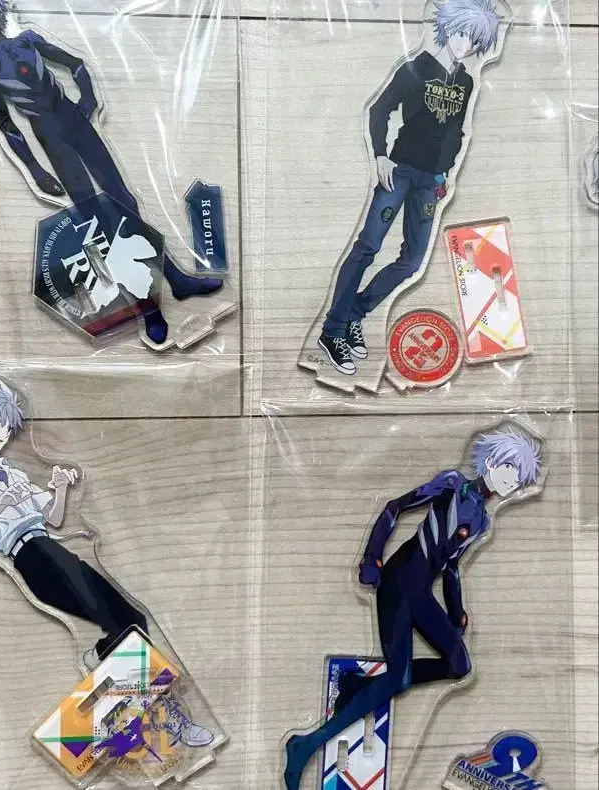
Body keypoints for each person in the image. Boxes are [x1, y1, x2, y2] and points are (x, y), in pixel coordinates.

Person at [0, 380, 213, 748]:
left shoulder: (13, 471)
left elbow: (53, 519)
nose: (2, 433)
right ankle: (168, 719)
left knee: (134, 619)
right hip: (31, 560)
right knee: (124, 627)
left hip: (53, 550)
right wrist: (0, 506)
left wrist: (59, 488)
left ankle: (105, 665)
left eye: (7, 426)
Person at [0, 0, 223, 343]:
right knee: (99, 222)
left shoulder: (28, 39)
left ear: (0, 10)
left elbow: (75, 64)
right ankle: (148, 306)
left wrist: (87, 98)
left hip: (76, 121)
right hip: (50, 137)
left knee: (125, 202)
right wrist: (36, 170)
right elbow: (6, 125)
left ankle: (176, 279)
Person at [282, 429, 541, 790]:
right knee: (398, 679)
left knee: (459, 665)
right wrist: (372, 558)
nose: (512, 483)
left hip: (422, 593)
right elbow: (395, 506)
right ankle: (305, 745)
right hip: (398, 583)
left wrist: (457, 611)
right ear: (492, 462)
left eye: (519, 481)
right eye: (511, 471)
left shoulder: (482, 520)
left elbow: (451, 567)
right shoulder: (452, 485)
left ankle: (360, 685)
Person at [317, 0, 503, 375]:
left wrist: (447, 173)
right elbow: (379, 110)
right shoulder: (416, 68)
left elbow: (456, 131)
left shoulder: (466, 82)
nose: (465, 44)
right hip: (399, 172)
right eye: (462, 33)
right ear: (447, 29)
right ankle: (332, 331)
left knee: (412, 261)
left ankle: (354, 312)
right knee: (367, 247)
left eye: (474, 40)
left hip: (430, 182)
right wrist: (380, 156)